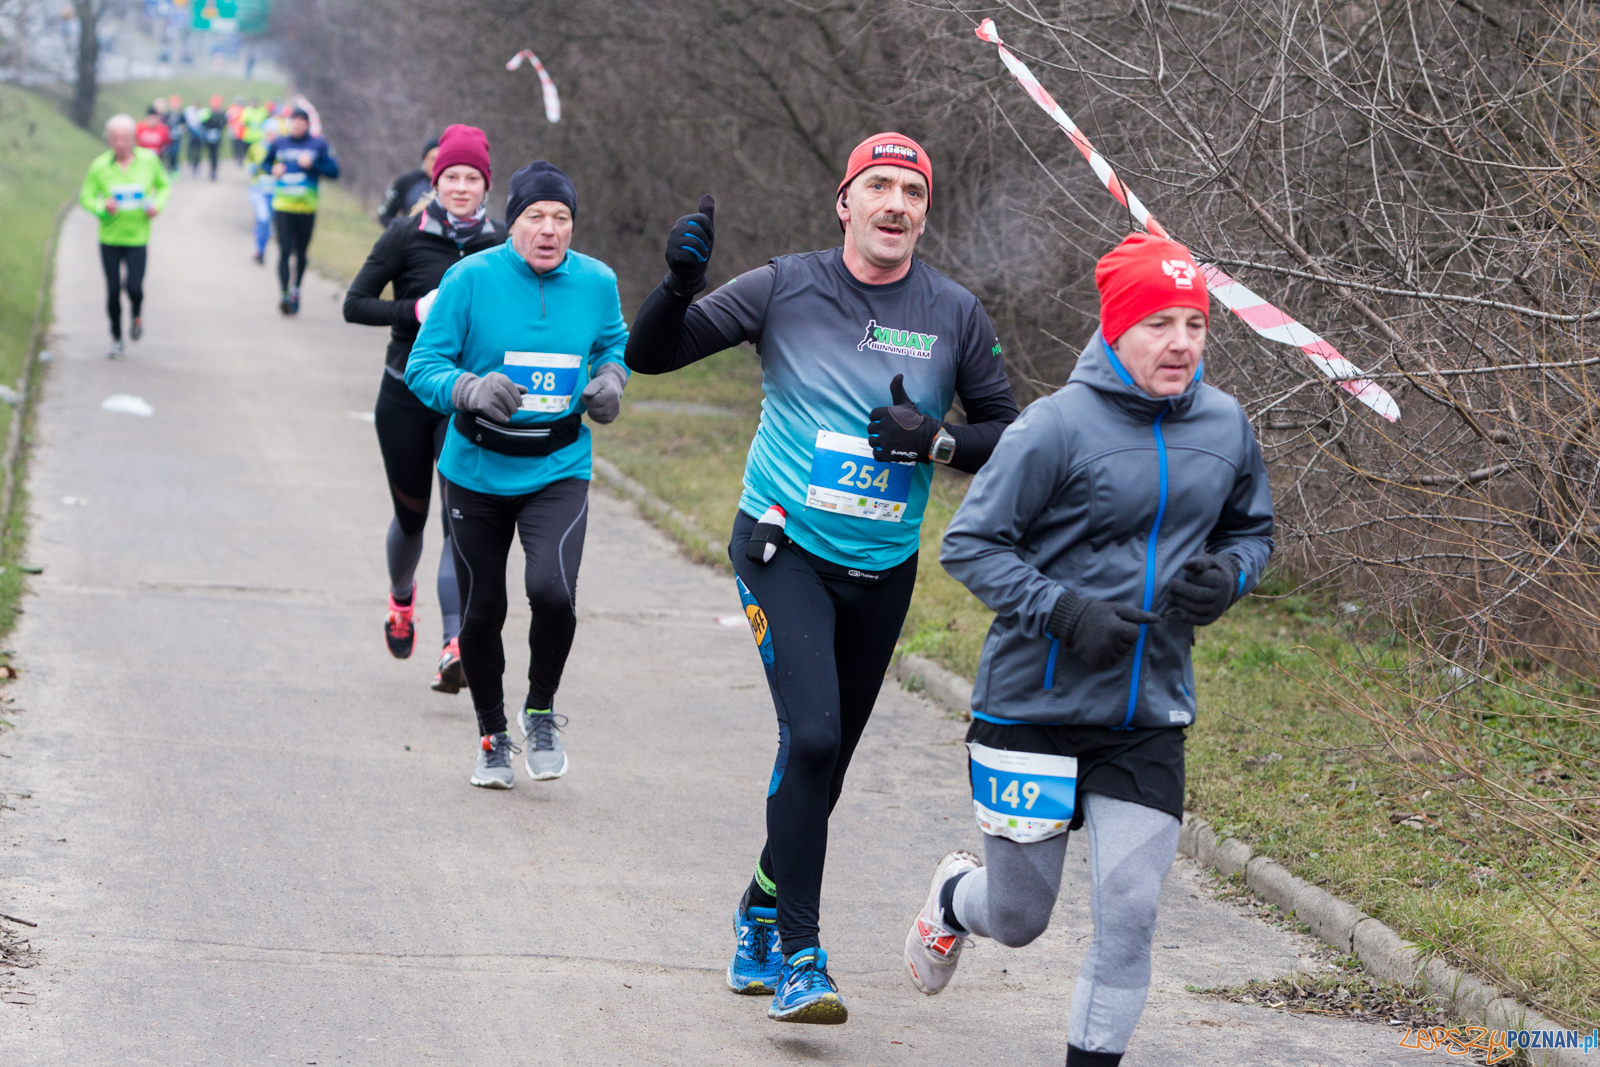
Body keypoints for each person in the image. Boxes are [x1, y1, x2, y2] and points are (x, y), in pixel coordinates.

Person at [625, 133, 1019, 1024]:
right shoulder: (784, 285)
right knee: (809, 741)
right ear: (844, 202)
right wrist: (678, 285)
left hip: (882, 567)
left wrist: (938, 442)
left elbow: (1008, 430)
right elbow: (652, 356)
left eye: (910, 192)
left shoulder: (954, 312)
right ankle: (801, 957)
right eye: (876, 186)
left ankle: (759, 909)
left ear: (925, 210)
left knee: (825, 765)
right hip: (782, 549)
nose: (894, 204)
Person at [901, 233, 1275, 1067]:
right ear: (1115, 329)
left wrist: (1230, 576)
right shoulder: (1054, 426)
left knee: (1130, 910)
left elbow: (1253, 531)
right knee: (1022, 917)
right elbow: (972, 544)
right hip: (1031, 705)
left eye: (1194, 323)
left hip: (1149, 712)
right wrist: (1064, 611)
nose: (1181, 342)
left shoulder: (1225, 425)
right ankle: (957, 901)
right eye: (1158, 323)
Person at [405, 159, 629, 789]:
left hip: (558, 465)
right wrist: (469, 388)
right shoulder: (470, 278)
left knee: (553, 591)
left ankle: (540, 710)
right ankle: (492, 734)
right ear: (513, 223)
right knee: (482, 611)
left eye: (562, 219)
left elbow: (614, 344)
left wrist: (611, 379)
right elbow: (424, 365)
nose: (549, 230)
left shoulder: (597, 282)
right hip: (476, 469)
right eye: (536, 217)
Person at [344, 125, 507, 694]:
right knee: (412, 519)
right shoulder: (405, 235)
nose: (461, 188)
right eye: (451, 178)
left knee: (457, 521)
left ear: (486, 185)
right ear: (436, 180)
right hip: (405, 396)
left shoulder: (502, 244)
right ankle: (400, 599)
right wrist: (415, 309)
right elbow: (354, 304)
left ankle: (455, 644)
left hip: (466, 402)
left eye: (472, 179)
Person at [79, 114, 170, 359]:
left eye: (125, 138)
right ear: (109, 139)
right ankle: (117, 338)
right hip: (109, 237)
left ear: (133, 139)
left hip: (137, 237)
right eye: (115, 138)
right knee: (112, 290)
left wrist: (156, 206)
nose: (120, 143)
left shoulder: (149, 161)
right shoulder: (99, 166)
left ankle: (137, 315)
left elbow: (164, 185)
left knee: (134, 288)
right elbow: (86, 196)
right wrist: (101, 206)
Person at [264, 107, 339, 315]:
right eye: (294, 121)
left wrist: (313, 163)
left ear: (307, 124)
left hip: (307, 208)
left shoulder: (318, 145)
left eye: (301, 121)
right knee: (284, 250)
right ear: (289, 123)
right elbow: (265, 163)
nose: (297, 124)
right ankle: (285, 294)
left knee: (301, 253)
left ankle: (296, 289)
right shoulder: (279, 143)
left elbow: (334, 171)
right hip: (283, 207)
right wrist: (273, 169)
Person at [244, 109, 282, 265]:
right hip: (258, 188)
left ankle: (261, 250)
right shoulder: (255, 147)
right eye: (268, 132)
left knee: (269, 224)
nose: (271, 135)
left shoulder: (281, 148)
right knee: (263, 218)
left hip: (275, 190)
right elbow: (248, 163)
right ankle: (258, 249)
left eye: (274, 133)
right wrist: (252, 167)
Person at [377, 136, 440, 227]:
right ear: (425, 160)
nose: (437, 163)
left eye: (440, 159)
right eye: (433, 159)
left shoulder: (452, 186)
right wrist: (401, 231)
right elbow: (384, 214)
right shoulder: (406, 182)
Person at [201, 95, 227, 180]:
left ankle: (214, 171)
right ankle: (211, 170)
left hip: (217, 137)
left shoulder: (221, 113)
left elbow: (224, 123)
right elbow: (203, 122)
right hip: (208, 137)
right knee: (210, 155)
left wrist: (218, 129)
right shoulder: (208, 112)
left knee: (215, 155)